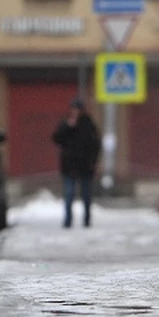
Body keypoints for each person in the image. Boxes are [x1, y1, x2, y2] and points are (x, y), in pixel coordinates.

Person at [51, 98, 101, 228]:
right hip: (69, 165)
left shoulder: (88, 125)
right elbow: (56, 139)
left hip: (85, 165)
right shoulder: (66, 124)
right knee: (69, 193)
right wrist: (67, 127)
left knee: (86, 195)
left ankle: (87, 219)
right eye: (73, 109)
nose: (75, 112)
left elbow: (95, 144)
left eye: (77, 109)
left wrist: (93, 161)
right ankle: (67, 220)